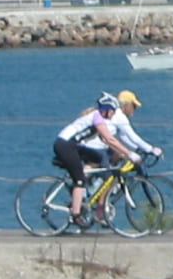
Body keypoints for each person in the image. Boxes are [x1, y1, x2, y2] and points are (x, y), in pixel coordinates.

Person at [53, 92, 142, 228]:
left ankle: (85, 188)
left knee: (98, 158)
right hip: (65, 145)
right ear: (107, 110)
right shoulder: (97, 118)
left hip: (74, 146)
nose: (114, 115)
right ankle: (76, 214)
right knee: (80, 179)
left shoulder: (99, 118)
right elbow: (109, 139)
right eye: (113, 111)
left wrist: (124, 153)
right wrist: (130, 154)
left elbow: (110, 142)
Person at [114, 89, 164, 159]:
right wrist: (151, 149)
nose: (135, 109)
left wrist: (137, 148)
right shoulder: (120, 117)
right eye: (134, 106)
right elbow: (132, 136)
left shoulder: (116, 113)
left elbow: (123, 137)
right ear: (126, 105)